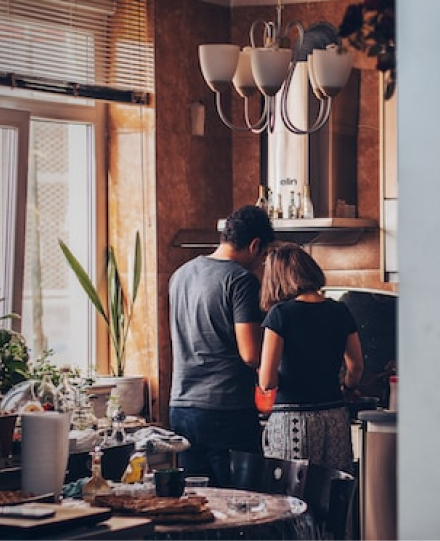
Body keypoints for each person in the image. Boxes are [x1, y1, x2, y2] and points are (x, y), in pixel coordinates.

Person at [168, 205, 275, 487]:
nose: (262, 262)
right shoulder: (241, 281)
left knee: (198, 506)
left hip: (181, 407)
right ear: (254, 245)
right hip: (225, 410)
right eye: (264, 255)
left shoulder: (180, 275)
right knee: (245, 506)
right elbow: (251, 355)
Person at [258, 242, 363, 473]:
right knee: (334, 494)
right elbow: (355, 366)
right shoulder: (340, 310)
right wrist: (347, 387)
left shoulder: (280, 315)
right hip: (334, 416)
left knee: (292, 501)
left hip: (292, 421)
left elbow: (267, 381)